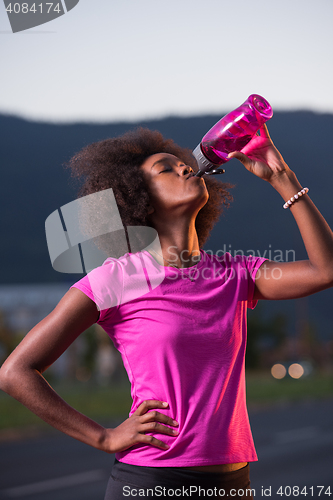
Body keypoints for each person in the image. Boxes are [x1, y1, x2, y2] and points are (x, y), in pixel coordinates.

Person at [0, 125, 332, 500]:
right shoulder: (116, 278)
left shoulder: (234, 273)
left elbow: (326, 270)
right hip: (151, 482)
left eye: (184, 165)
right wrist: (104, 436)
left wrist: (283, 179)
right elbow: (15, 373)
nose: (187, 168)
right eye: (166, 169)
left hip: (233, 483)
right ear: (141, 200)